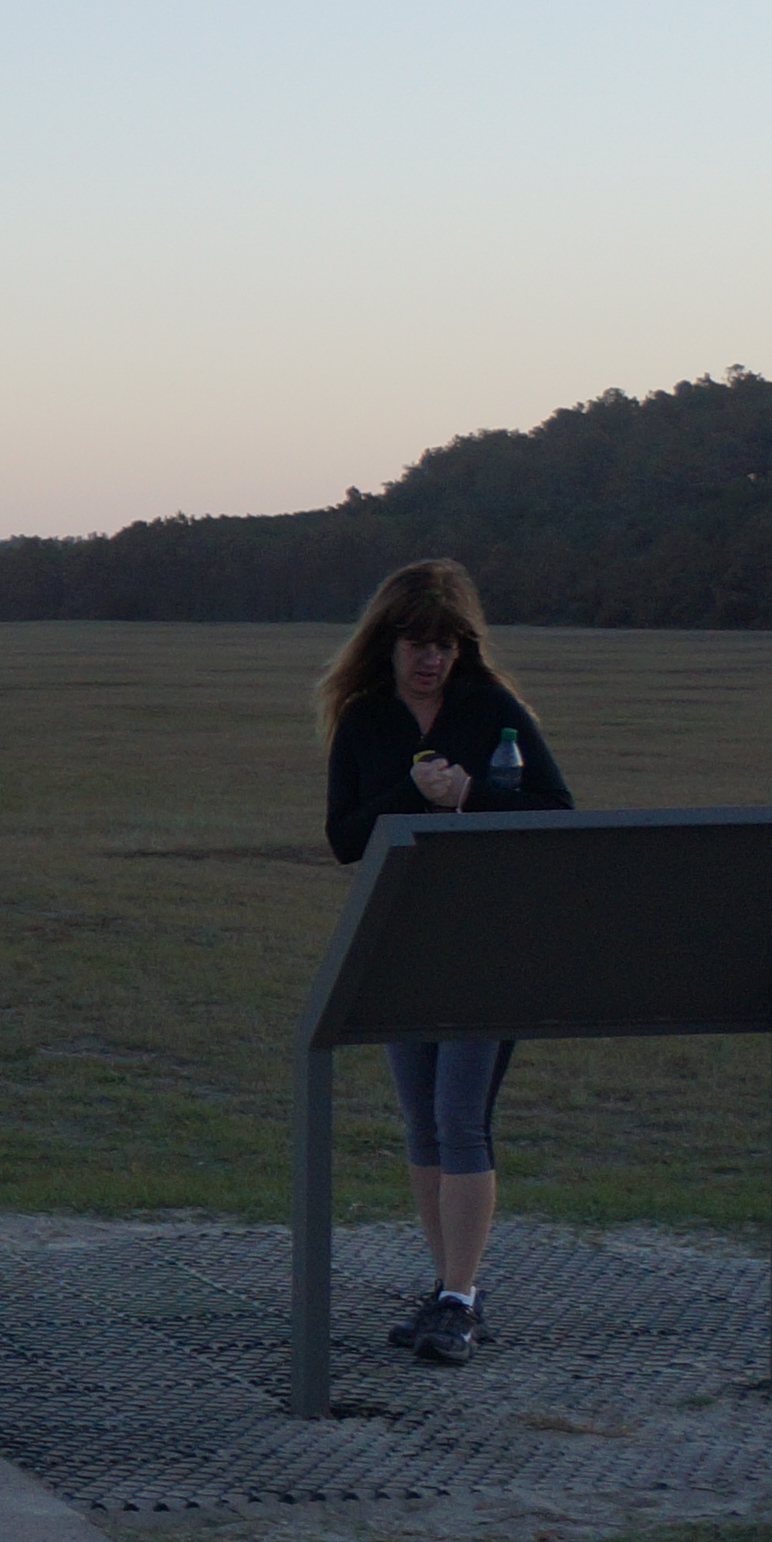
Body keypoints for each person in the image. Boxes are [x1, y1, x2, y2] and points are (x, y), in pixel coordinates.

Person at [318, 558, 574, 1367]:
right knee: (423, 1121)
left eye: (446, 644)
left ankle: (460, 1300)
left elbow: (559, 814)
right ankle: (447, 1289)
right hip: (400, 936)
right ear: (385, 645)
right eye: (417, 644)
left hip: (488, 940)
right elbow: (344, 839)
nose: (431, 659)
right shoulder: (364, 720)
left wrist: (471, 798)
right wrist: (410, 793)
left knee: (462, 1118)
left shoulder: (492, 711)